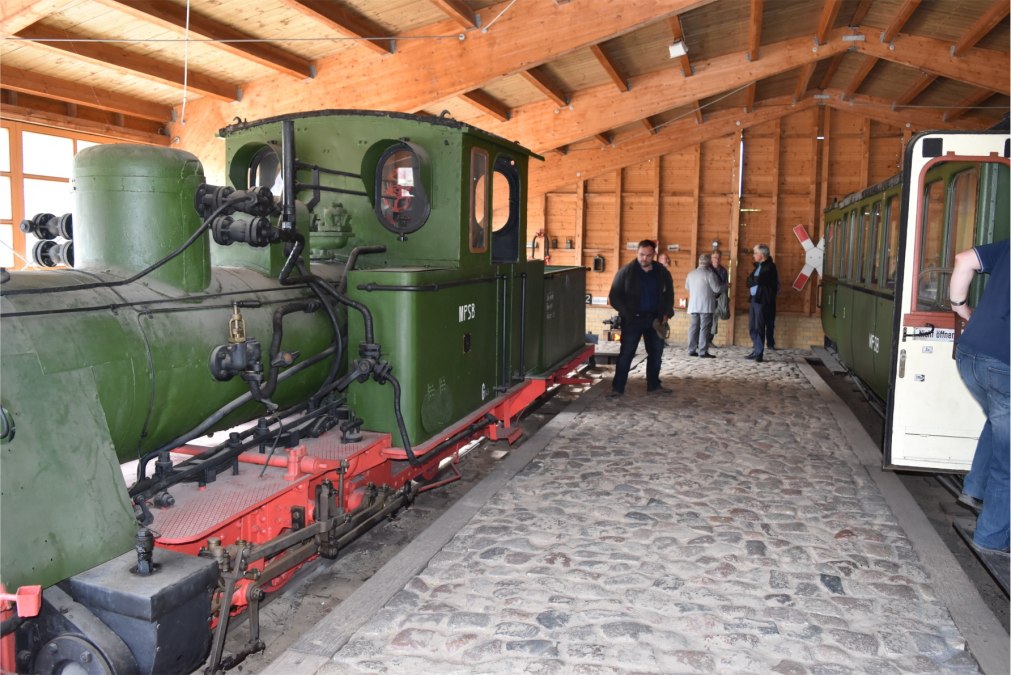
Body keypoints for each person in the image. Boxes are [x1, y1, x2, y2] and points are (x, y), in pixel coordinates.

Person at [950, 239, 1009, 553]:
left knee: (1000, 421)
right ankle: (992, 539)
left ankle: (974, 489)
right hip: (1005, 363)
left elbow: (963, 259)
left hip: (971, 353)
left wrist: (960, 308)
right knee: (1009, 461)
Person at [607, 240, 675, 397]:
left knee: (656, 354)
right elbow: (614, 296)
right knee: (626, 354)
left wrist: (666, 313)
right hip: (632, 321)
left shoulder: (662, 272)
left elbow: (669, 295)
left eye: (648, 255)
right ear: (637, 253)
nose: (644, 258)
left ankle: (654, 386)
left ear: (654, 255)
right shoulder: (626, 271)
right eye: (641, 255)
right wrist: (626, 312)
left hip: (655, 320)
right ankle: (617, 388)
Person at [685, 253, 726, 358]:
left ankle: (691, 349)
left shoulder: (691, 274)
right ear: (709, 263)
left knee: (693, 328)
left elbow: (687, 287)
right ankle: (703, 351)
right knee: (704, 328)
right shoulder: (710, 274)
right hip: (706, 306)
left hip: (693, 305)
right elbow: (717, 289)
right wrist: (725, 286)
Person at [746, 243, 779, 363]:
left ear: (762, 254)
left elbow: (761, 280)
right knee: (752, 326)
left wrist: (754, 280)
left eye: (755, 253)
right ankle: (756, 349)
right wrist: (754, 281)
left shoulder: (770, 266)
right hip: (754, 299)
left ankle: (759, 353)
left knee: (759, 327)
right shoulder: (758, 266)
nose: (753, 255)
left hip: (762, 300)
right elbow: (748, 281)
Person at [706, 249, 729, 349]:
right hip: (708, 297)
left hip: (718, 298)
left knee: (714, 319)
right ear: (711, 258)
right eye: (715, 257)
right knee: (706, 319)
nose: (717, 259)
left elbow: (725, 284)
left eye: (719, 257)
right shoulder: (707, 269)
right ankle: (703, 340)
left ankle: (709, 340)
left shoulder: (724, 271)